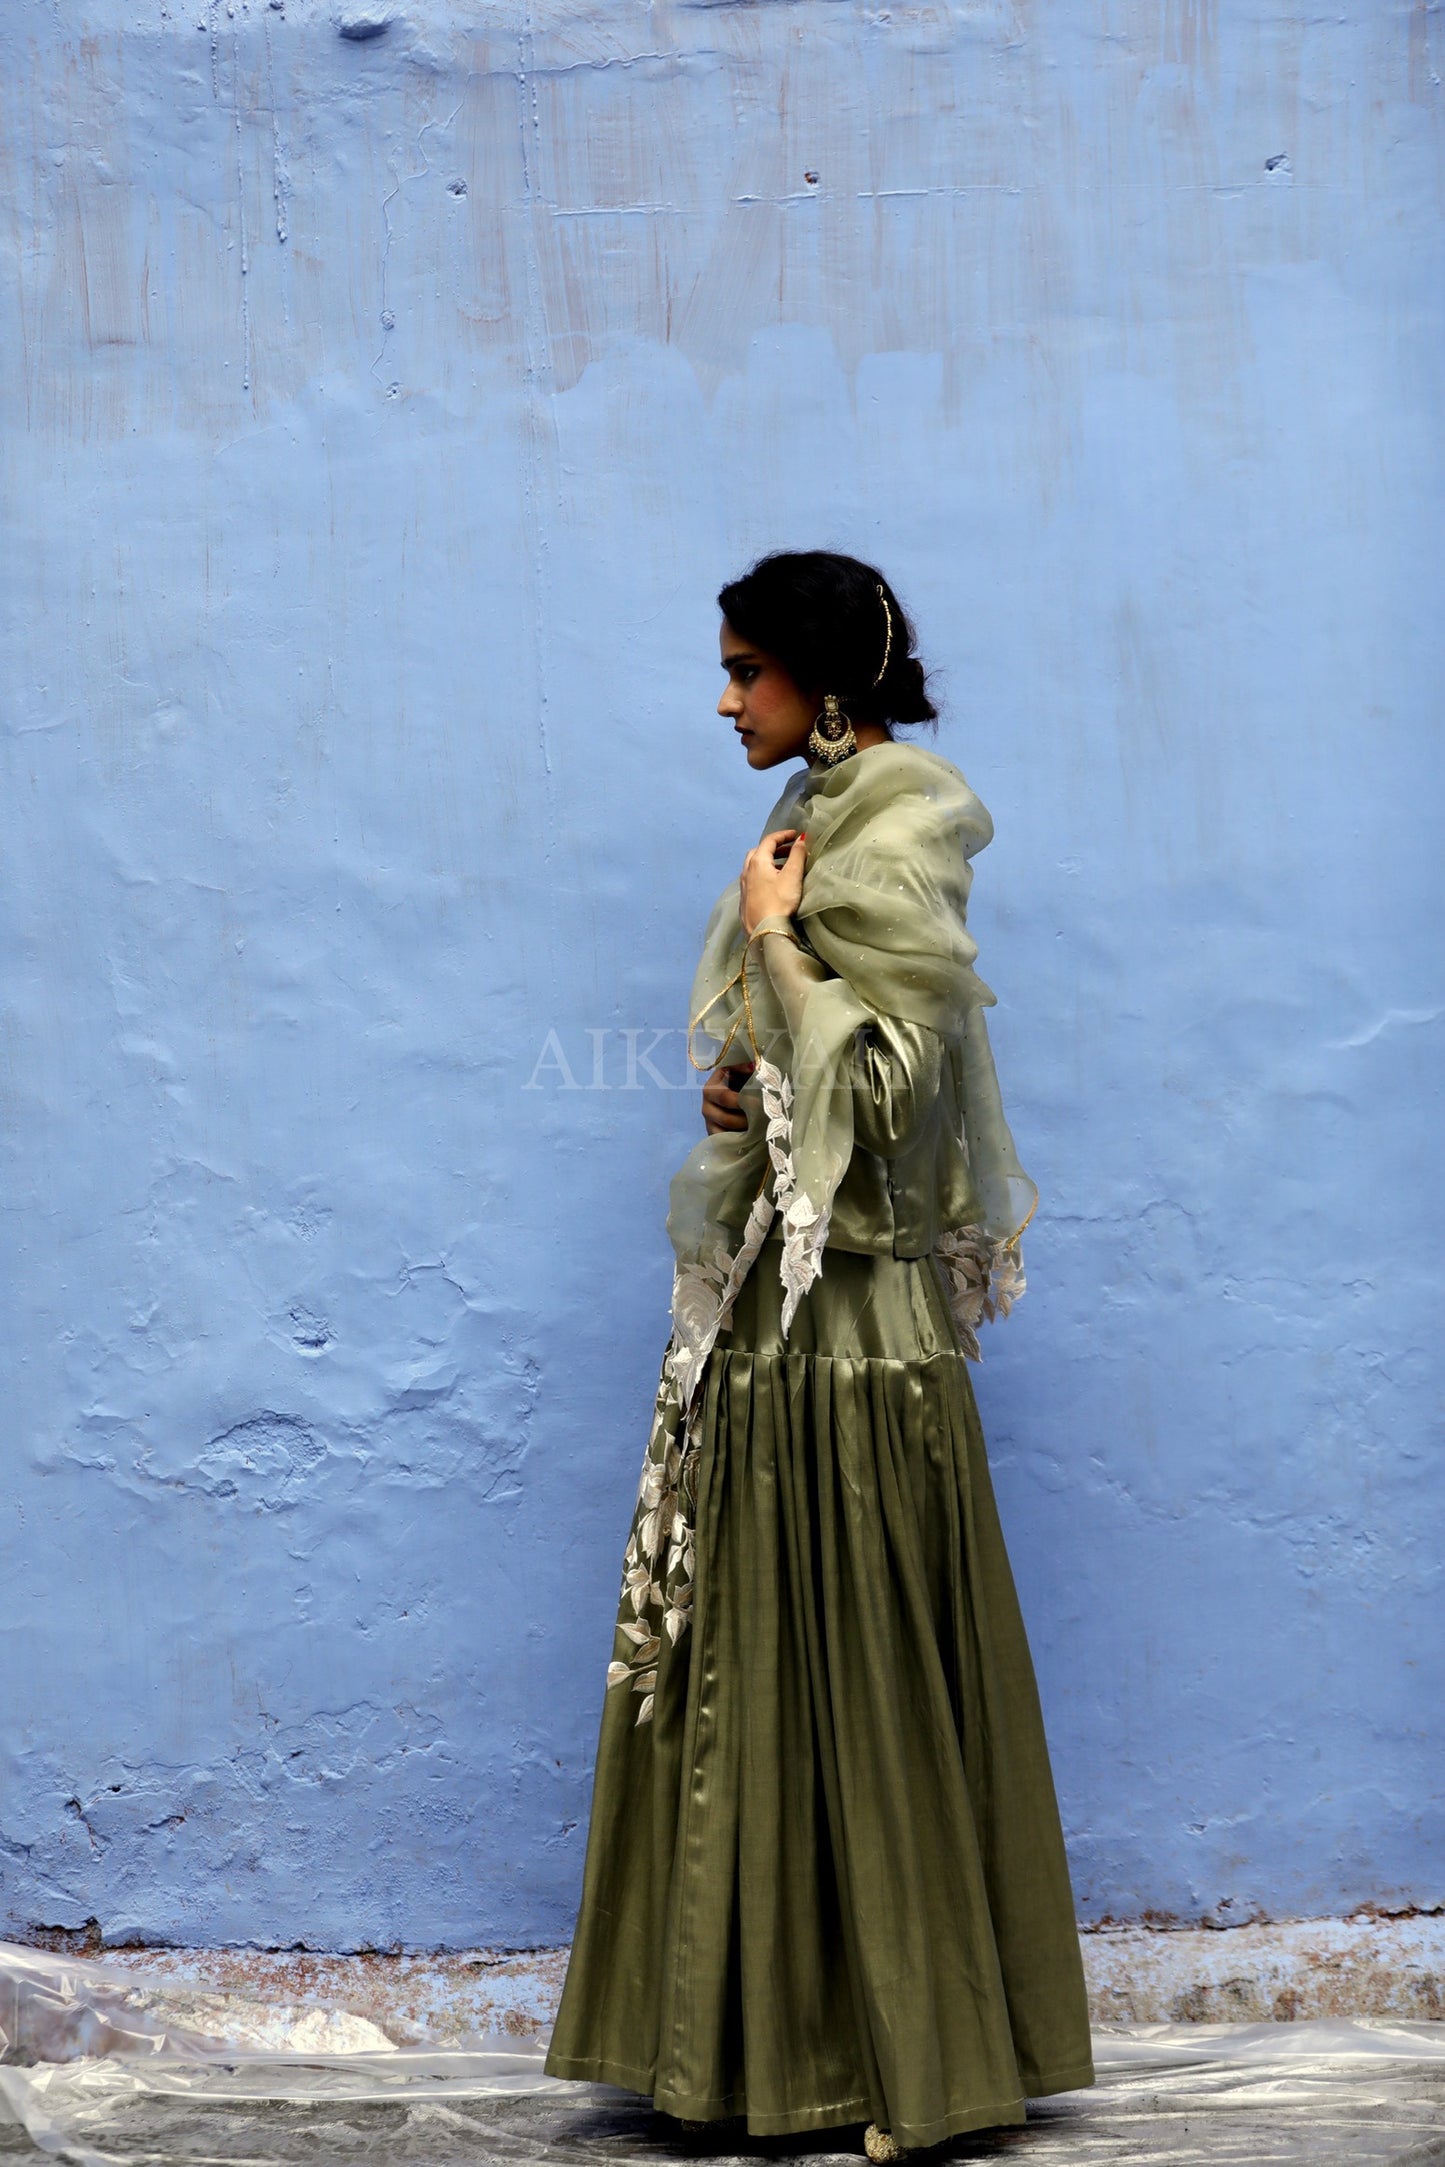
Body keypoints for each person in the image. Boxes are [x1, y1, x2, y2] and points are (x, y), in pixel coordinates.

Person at [544, 552, 1093, 2155]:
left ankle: (896, 2063)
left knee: (861, 1671)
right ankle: (754, 2049)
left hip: (854, 1331)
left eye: (743, 671)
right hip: (780, 1328)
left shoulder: (903, 813)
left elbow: (888, 1089)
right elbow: (798, 1084)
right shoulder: (821, 817)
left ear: (818, 678)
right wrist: (740, 1084)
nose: (724, 701)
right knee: (758, 1669)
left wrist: (779, 944)